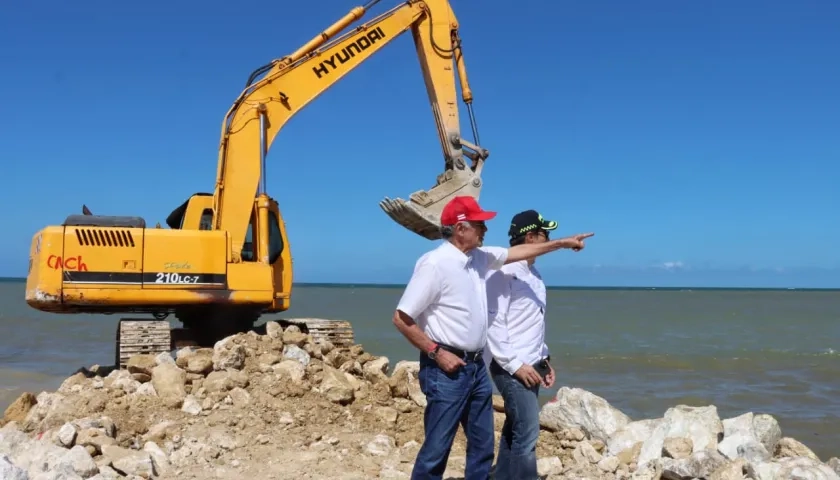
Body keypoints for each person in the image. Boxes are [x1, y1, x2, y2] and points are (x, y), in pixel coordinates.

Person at [391, 196, 593, 480]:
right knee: (437, 448)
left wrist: (561, 243)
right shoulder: (435, 264)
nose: (485, 229)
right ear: (461, 228)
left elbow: (517, 253)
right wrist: (436, 352)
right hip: (445, 369)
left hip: (475, 368)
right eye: (480, 223)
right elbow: (401, 318)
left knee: (483, 447)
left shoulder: (479, 259)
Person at [485, 209, 562, 480]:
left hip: (531, 365)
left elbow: (531, 323)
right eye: (545, 234)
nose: (548, 239)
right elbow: (494, 325)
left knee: (514, 429)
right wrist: (516, 366)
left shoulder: (534, 274)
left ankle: (502, 476)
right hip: (510, 367)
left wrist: (544, 359)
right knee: (528, 433)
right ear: (531, 236)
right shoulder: (503, 273)